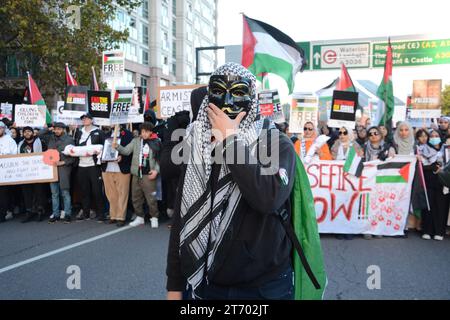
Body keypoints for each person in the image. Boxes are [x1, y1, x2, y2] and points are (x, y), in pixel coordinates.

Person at [166, 63, 296, 300]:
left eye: (237, 92)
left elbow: (268, 199)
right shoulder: (197, 145)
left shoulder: (277, 143)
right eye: (217, 90)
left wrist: (231, 141)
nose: (226, 100)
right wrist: (174, 285)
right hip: (209, 282)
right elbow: (182, 217)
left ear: (252, 99)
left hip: (264, 287)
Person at [113, 122, 160, 228]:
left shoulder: (156, 142)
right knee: (136, 197)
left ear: (151, 132)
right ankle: (140, 217)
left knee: (151, 198)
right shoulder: (135, 141)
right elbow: (126, 151)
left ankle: (154, 217)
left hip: (148, 174)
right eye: (142, 131)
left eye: (146, 132)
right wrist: (117, 146)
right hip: (136, 173)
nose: (144, 134)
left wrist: (156, 170)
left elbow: (159, 159)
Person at [40, 122, 76, 224]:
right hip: (51, 168)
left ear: (63, 129)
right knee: (54, 193)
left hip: (64, 168)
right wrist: (49, 127)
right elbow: (40, 134)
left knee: (65, 192)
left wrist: (63, 162)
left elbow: (74, 157)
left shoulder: (69, 139)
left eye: (59, 129)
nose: (57, 131)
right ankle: (55, 214)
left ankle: (67, 214)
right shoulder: (50, 137)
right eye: (55, 129)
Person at [73, 113, 106, 221]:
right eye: (83, 119)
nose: (85, 120)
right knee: (84, 190)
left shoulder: (99, 132)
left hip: (94, 165)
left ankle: (101, 213)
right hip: (81, 165)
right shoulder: (78, 132)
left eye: (87, 118)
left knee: (97, 191)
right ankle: (86, 213)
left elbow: (104, 147)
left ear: (91, 120)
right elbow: (75, 147)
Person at [417, 129, 448, 241]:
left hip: (443, 182)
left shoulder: (446, 149)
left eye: (436, 135)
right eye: (432, 136)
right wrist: (433, 167)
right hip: (429, 181)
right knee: (428, 205)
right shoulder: (423, 149)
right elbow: (422, 166)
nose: (434, 137)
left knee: (441, 206)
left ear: (440, 136)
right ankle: (427, 230)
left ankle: (439, 231)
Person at [101, 126, 133, 227]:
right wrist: (101, 157)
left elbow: (131, 152)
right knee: (111, 194)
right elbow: (101, 150)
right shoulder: (106, 135)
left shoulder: (128, 134)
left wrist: (122, 157)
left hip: (121, 168)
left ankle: (121, 217)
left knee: (122, 194)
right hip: (107, 168)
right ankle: (113, 215)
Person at [18, 126, 47, 223]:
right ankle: (29, 212)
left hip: (37, 172)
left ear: (32, 133)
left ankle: (40, 211)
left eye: (29, 131)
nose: (27, 133)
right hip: (25, 173)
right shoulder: (20, 144)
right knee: (27, 193)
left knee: (39, 192)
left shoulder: (40, 142)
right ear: (23, 133)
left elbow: (46, 155)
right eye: (25, 132)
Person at [0, 122, 18, 223]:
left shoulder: (9, 140)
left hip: (5, 173)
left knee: (3, 194)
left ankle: (3, 214)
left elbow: (14, 155)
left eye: (0, 128)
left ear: (4, 129)